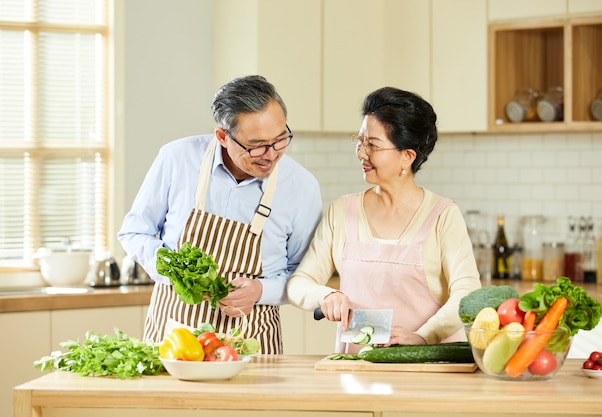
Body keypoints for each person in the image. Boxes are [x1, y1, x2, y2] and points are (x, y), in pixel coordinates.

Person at [118, 75, 322, 354]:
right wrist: (174, 274)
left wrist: (260, 291)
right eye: (257, 145)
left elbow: (304, 276)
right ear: (223, 137)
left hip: (253, 344)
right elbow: (134, 231)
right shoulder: (177, 159)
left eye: (280, 139)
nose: (271, 154)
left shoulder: (301, 187)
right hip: (175, 338)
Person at [287, 87, 481, 354]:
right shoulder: (342, 211)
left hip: (428, 368)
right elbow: (300, 283)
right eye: (360, 140)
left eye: (373, 145)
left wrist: (423, 337)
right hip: (358, 370)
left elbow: (467, 293)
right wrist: (326, 295)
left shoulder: (443, 215)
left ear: (407, 157)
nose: (361, 152)